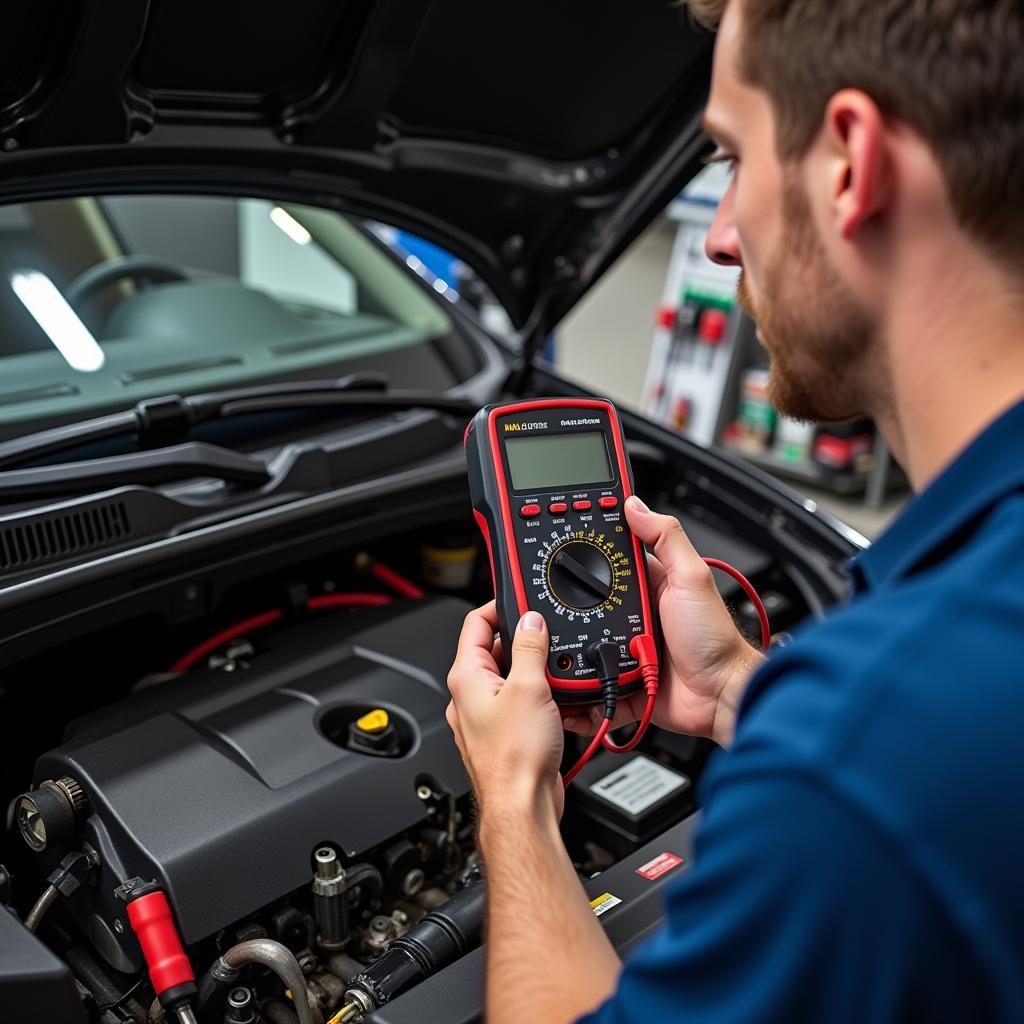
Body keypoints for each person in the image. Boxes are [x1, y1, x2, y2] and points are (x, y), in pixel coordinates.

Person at [445, 0, 1024, 1020]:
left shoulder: (865, 746)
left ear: (849, 161)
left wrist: (514, 807)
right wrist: (731, 693)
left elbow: (885, 777)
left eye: (726, 159)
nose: (716, 238)